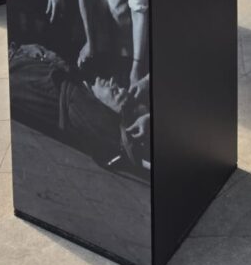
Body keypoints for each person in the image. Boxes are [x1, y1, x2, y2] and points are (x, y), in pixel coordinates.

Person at [8, 42, 150, 180]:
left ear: (108, 112)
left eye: (116, 93)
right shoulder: (77, 80)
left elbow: (118, 138)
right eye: (118, 86)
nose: (112, 82)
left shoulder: (76, 100)